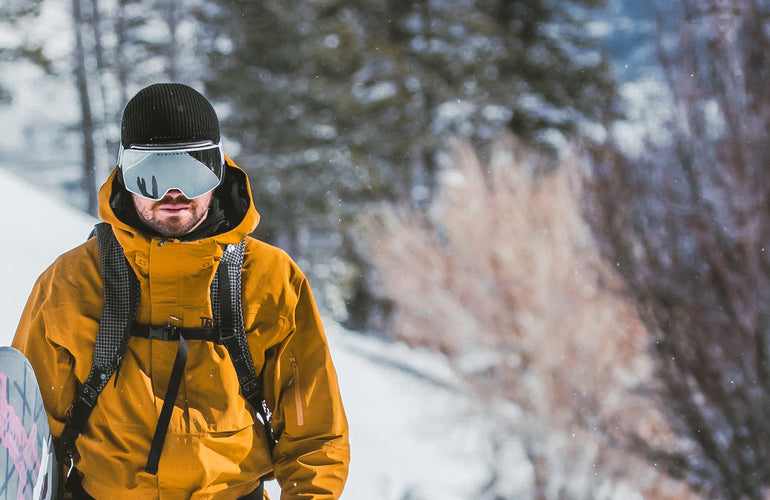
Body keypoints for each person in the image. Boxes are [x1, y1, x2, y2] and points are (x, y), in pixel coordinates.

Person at [12, 83, 350, 499]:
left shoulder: (268, 277)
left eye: (192, 172)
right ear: (124, 174)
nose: (173, 194)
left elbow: (316, 435)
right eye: (151, 174)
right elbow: (28, 441)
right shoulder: (72, 281)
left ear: (218, 171)